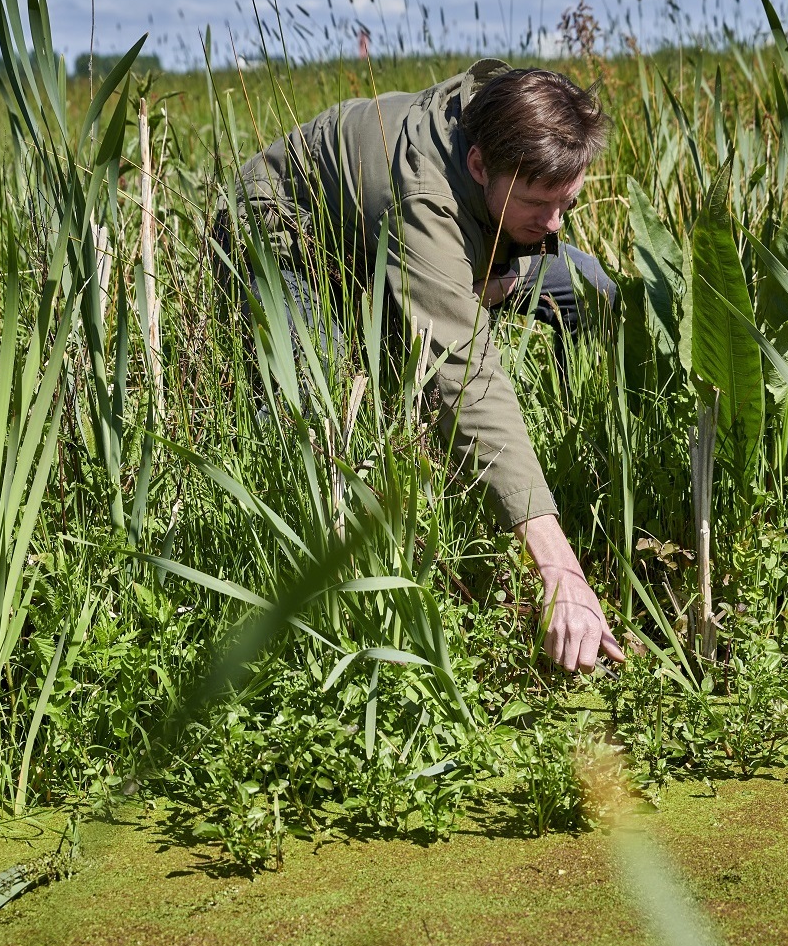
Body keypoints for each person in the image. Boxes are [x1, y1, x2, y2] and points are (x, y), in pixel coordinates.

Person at [218, 57, 627, 674]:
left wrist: (502, 270)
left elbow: (516, 233)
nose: (555, 224)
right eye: (541, 204)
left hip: (416, 236)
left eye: (566, 203)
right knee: (318, 417)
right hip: (289, 233)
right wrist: (559, 567)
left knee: (594, 289)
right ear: (480, 165)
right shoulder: (423, 196)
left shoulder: (507, 124)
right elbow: (465, 377)